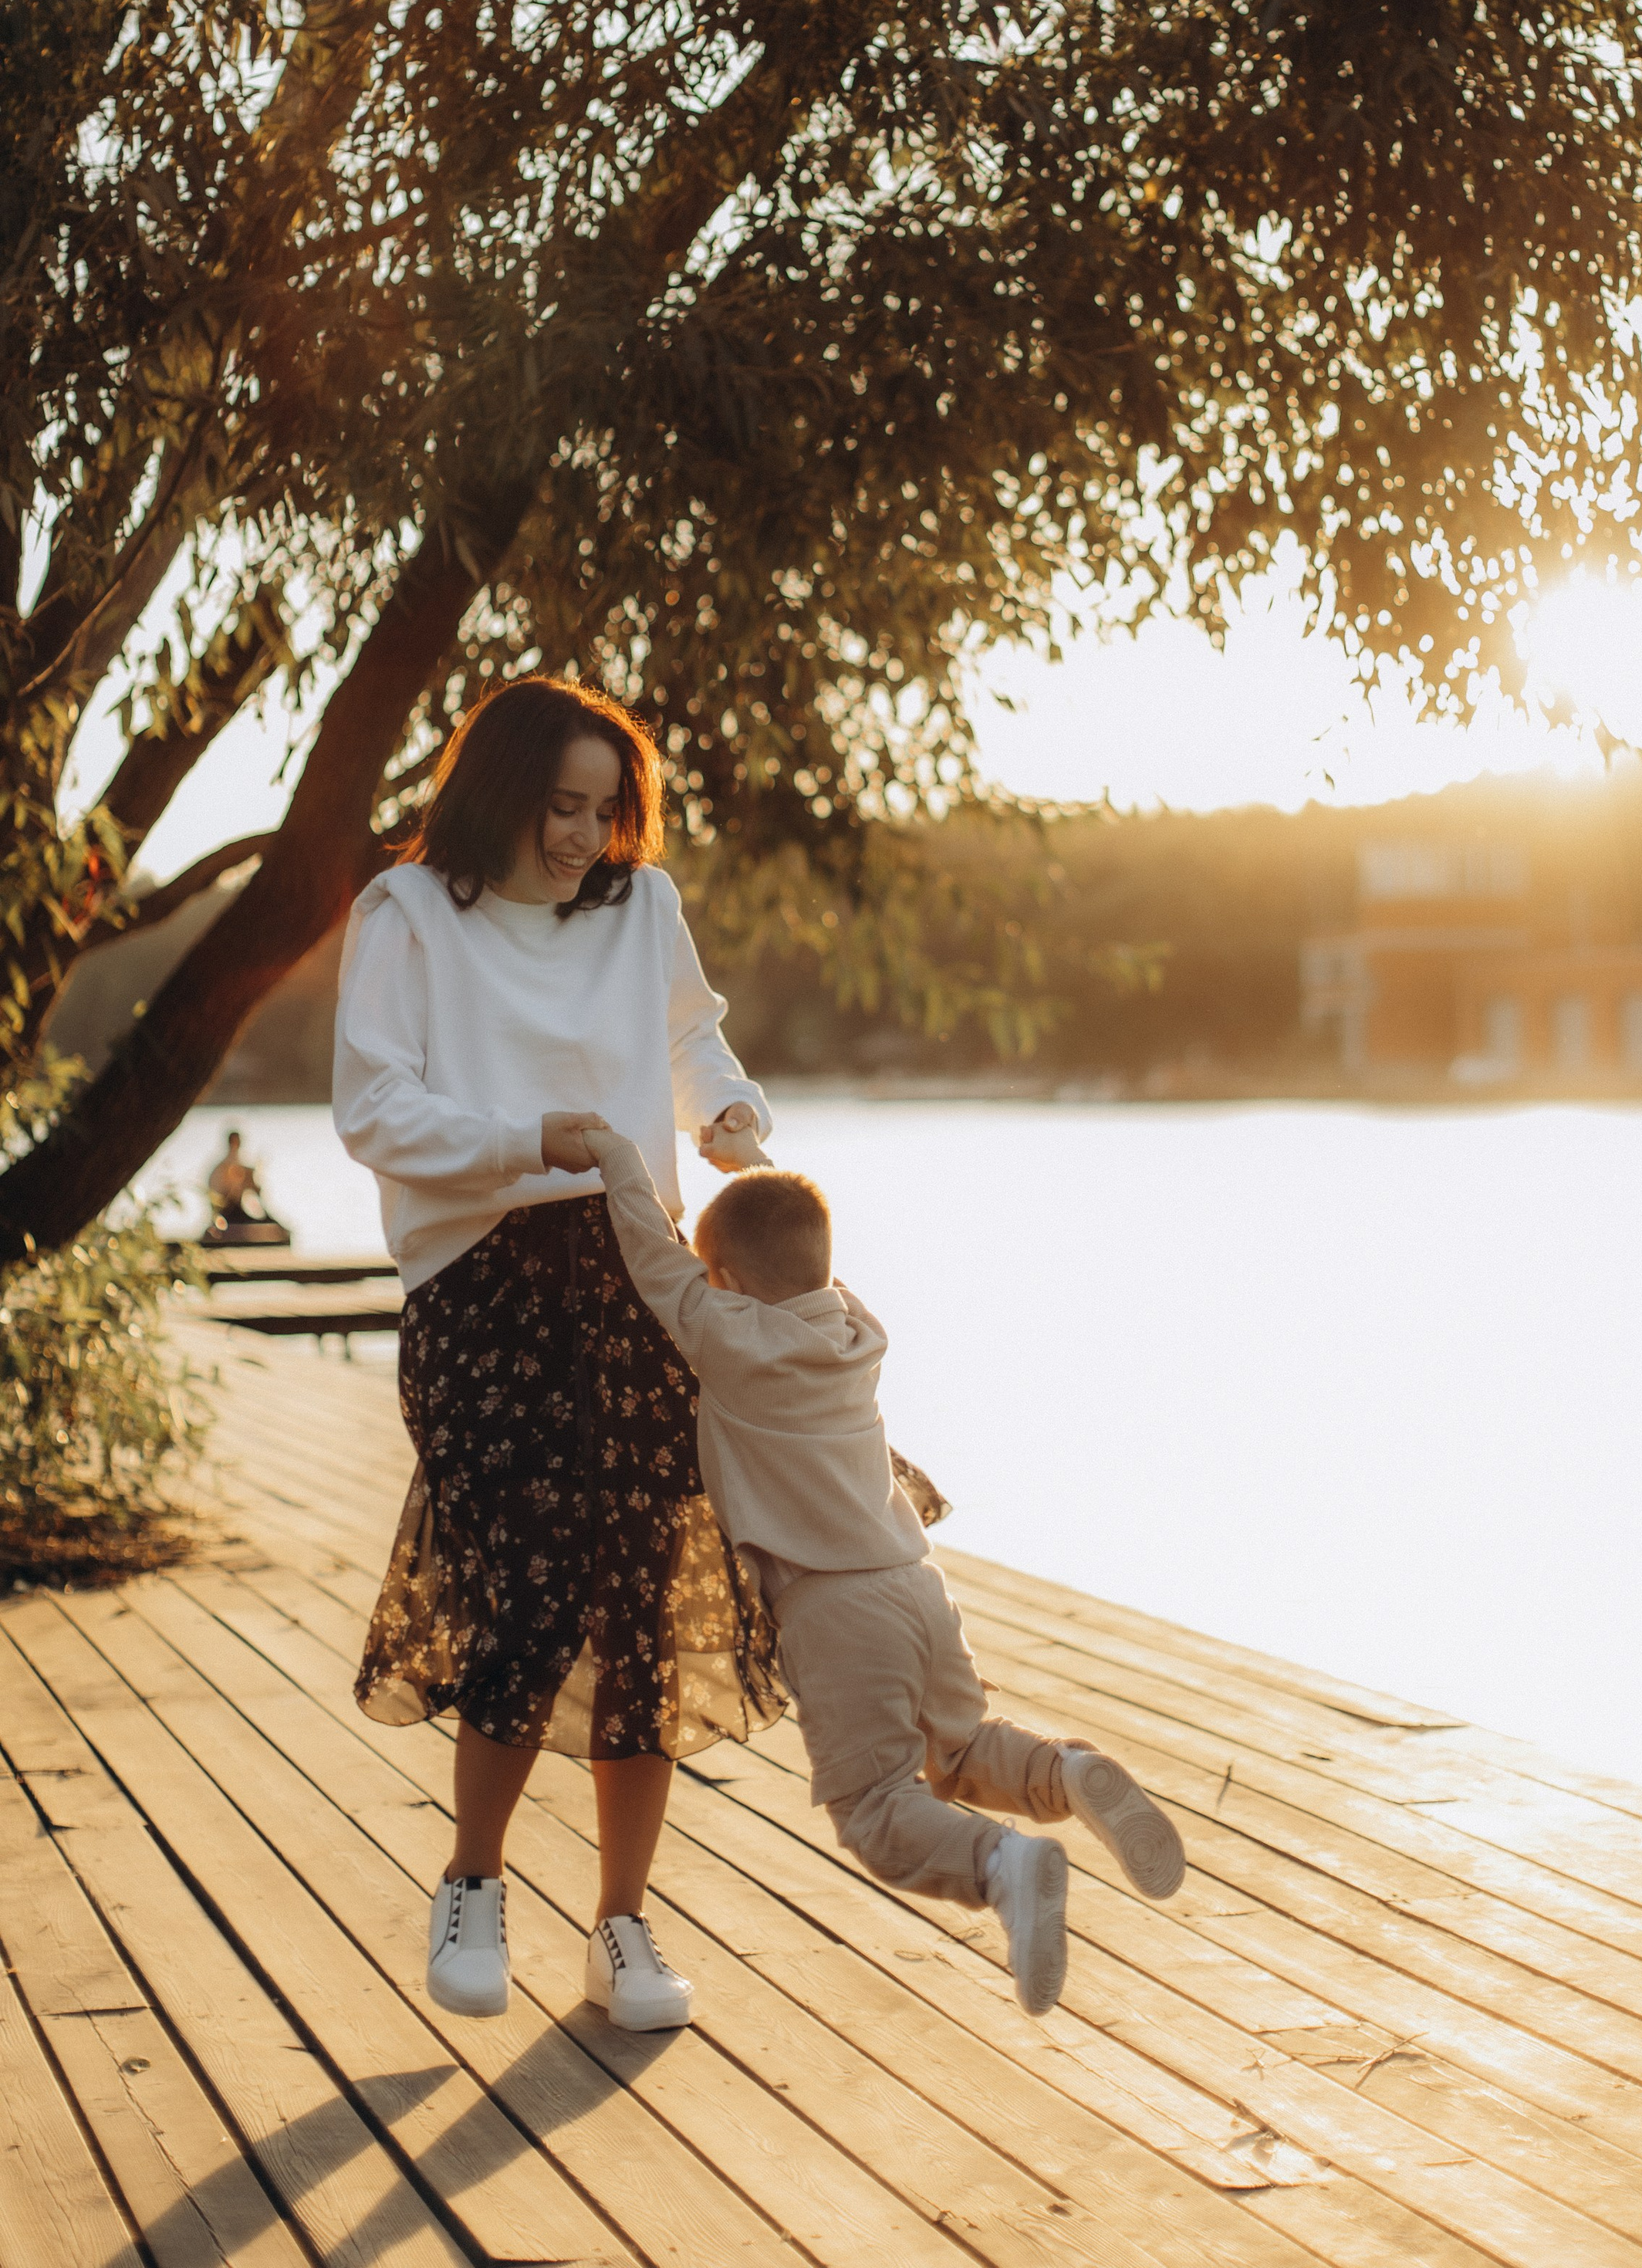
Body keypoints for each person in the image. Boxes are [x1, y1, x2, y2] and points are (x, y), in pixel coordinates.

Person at [332, 674, 782, 2036]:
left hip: (642, 1269)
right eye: (560, 806)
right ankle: (474, 1883)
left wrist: (731, 1116)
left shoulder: (642, 908)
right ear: (497, 791)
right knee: (522, 1582)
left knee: (643, 1595)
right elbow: (375, 1109)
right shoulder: (406, 913)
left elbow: (688, 1036)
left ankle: (625, 1926)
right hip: (479, 1283)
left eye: (606, 809)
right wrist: (539, 1137)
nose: (585, 836)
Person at [579, 1127, 1188, 2016]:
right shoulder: (858, 1329)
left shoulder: (726, 1332)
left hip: (831, 1606)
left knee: (872, 1808)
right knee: (966, 1749)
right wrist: (748, 1159)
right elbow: (795, 1247)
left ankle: (1001, 1866)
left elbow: (647, 1249)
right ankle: (1065, 1775)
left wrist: (611, 1151)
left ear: (733, 1285)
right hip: (915, 1581)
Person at [203, 1131, 289, 1245]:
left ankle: (273, 1223)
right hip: (227, 1210)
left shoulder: (233, 1162)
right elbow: (228, 1192)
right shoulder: (226, 1166)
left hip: (232, 1209)